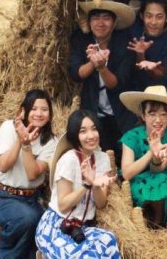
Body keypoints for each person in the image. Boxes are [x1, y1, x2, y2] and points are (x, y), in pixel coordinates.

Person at [35, 109, 121, 258]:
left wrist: (95, 185)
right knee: (87, 256)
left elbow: (100, 204)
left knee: (109, 241)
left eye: (94, 129)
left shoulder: (102, 159)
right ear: (75, 135)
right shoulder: (69, 160)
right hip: (56, 225)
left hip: (81, 227)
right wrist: (86, 185)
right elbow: (63, 204)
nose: (91, 135)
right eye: (83, 131)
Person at [0, 89, 58, 259]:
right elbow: (3, 166)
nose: (39, 113)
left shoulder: (51, 142)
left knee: (43, 225)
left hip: (33, 197)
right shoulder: (8, 128)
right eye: (34, 108)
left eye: (44, 109)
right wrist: (21, 140)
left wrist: (27, 146)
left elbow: (32, 174)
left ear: (50, 114)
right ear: (23, 110)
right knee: (26, 220)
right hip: (4, 196)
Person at [68, 0, 137, 162]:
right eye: (96, 18)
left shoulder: (125, 43)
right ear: (89, 21)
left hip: (120, 112)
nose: (100, 23)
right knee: (96, 157)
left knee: (122, 156)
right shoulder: (80, 39)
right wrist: (93, 62)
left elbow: (117, 84)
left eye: (106, 18)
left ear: (114, 23)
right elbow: (75, 74)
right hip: (92, 108)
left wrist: (102, 68)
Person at [119, 85, 167, 228]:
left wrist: (157, 158)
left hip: (163, 177)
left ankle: (157, 226)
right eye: (152, 114)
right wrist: (151, 152)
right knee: (142, 188)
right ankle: (141, 224)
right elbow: (126, 174)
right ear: (143, 115)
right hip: (137, 179)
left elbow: (158, 169)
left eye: (163, 114)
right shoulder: (131, 137)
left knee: (161, 182)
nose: (158, 120)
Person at [127, 0, 167, 96]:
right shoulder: (133, 28)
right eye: (149, 16)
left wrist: (150, 67)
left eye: (159, 17)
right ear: (142, 16)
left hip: (161, 88)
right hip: (134, 85)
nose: (153, 22)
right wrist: (140, 55)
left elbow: (160, 73)